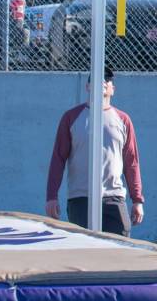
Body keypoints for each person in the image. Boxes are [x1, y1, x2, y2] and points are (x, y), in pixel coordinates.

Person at [45, 67, 144, 236]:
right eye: (96, 78)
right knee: (84, 252)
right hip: (81, 198)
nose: (102, 81)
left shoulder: (123, 120)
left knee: (119, 248)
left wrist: (137, 200)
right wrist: (51, 196)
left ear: (113, 89)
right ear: (87, 86)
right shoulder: (72, 117)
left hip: (114, 197)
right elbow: (58, 158)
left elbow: (131, 162)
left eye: (107, 79)